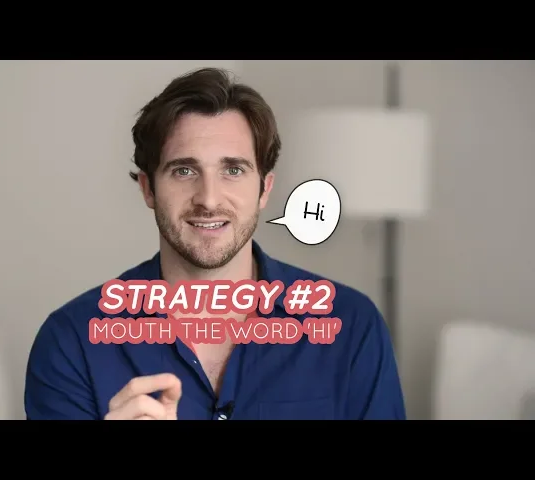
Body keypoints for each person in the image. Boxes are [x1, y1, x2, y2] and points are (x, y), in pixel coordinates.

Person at [24, 67, 406, 420]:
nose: (208, 199)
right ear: (148, 188)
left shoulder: (351, 326)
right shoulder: (70, 341)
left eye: (233, 170)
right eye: (184, 170)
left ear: (264, 189)